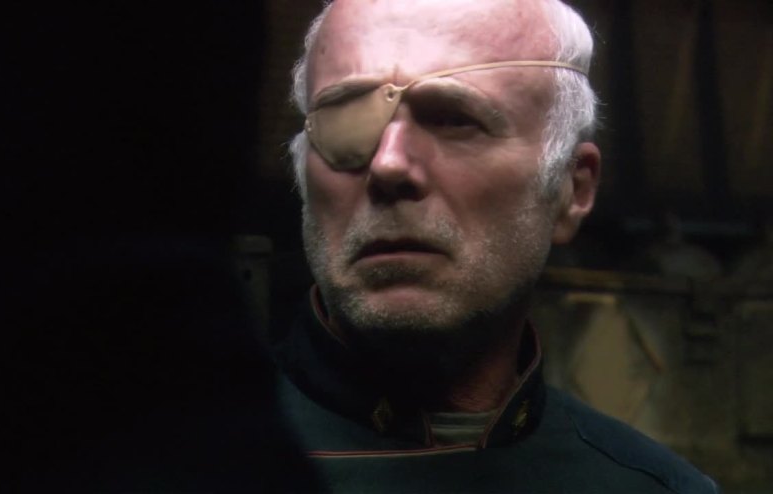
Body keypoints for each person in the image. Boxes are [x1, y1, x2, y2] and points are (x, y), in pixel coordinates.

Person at [273, 0, 719, 492]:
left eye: (453, 119)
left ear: (571, 189)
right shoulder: (210, 457)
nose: (389, 164)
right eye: (346, 119)